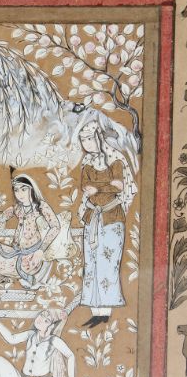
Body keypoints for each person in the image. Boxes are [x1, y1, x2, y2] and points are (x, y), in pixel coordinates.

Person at [78, 119, 138, 328]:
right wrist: (104, 186)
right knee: (91, 264)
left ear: (99, 138)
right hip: (92, 218)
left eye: (89, 139)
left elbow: (119, 185)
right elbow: (85, 187)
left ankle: (106, 311)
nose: (86, 144)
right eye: (83, 140)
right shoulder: (87, 163)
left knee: (108, 265)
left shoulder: (116, 160)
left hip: (112, 218)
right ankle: (95, 311)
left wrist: (99, 188)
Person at [0, 173, 76, 289]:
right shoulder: (18, 207)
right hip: (15, 251)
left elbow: (55, 227)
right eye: (16, 190)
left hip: (31, 256)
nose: (20, 194)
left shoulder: (41, 206)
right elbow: (1, 216)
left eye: (24, 189)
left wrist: (41, 250)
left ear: (31, 189)